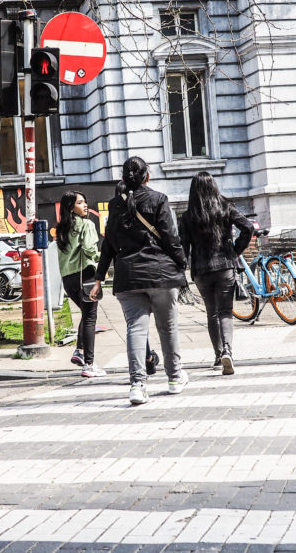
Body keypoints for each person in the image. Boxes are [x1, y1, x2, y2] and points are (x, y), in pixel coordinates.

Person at [91, 156, 189, 405]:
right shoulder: (158, 199)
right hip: (161, 274)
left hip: (128, 277)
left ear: (124, 178)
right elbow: (170, 238)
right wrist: (182, 263)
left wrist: (99, 278)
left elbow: (108, 244)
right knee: (167, 327)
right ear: (148, 176)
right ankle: (175, 378)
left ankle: (137, 385)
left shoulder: (114, 205)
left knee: (135, 328)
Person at [179, 172, 253, 375]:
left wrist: (182, 272)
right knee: (225, 312)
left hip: (201, 271)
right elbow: (247, 227)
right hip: (225, 267)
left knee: (211, 313)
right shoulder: (225, 208)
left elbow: (183, 248)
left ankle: (218, 355)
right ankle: (228, 350)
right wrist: (235, 250)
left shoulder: (187, 216)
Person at [56, 191, 105, 378]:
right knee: (91, 317)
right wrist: (101, 257)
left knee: (86, 314)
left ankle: (79, 351)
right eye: (80, 202)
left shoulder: (61, 229)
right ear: (71, 207)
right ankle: (90, 364)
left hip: (68, 278)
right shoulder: (86, 225)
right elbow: (90, 249)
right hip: (86, 275)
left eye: (85, 202)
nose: (85, 205)